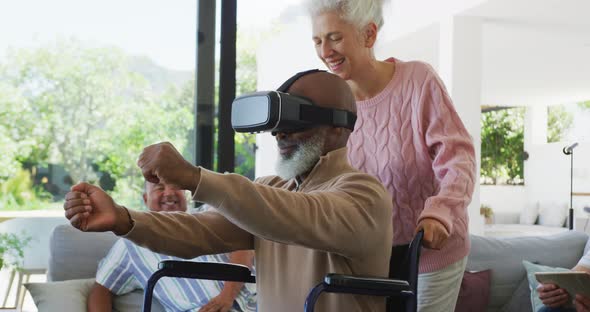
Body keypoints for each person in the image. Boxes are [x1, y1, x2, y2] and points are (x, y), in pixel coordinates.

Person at [64, 70, 394, 312]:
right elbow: (198, 231)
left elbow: (296, 215)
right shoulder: (271, 191)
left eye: (295, 122)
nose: (279, 135)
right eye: (276, 126)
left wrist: (194, 177)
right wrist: (122, 219)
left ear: (339, 126)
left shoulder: (364, 195)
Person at [306, 1, 477, 311]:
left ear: (369, 35)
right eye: (318, 41)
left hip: (430, 249)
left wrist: (441, 211)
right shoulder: (331, 106)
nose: (325, 51)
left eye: (334, 37)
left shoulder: (418, 81)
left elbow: (459, 158)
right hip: (367, 254)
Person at [88, 180, 256, 312]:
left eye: (175, 186)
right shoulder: (129, 244)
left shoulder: (210, 212)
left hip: (260, 301)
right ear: (146, 198)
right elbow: (101, 290)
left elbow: (244, 245)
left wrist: (226, 295)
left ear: (186, 194)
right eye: (159, 188)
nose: (168, 193)